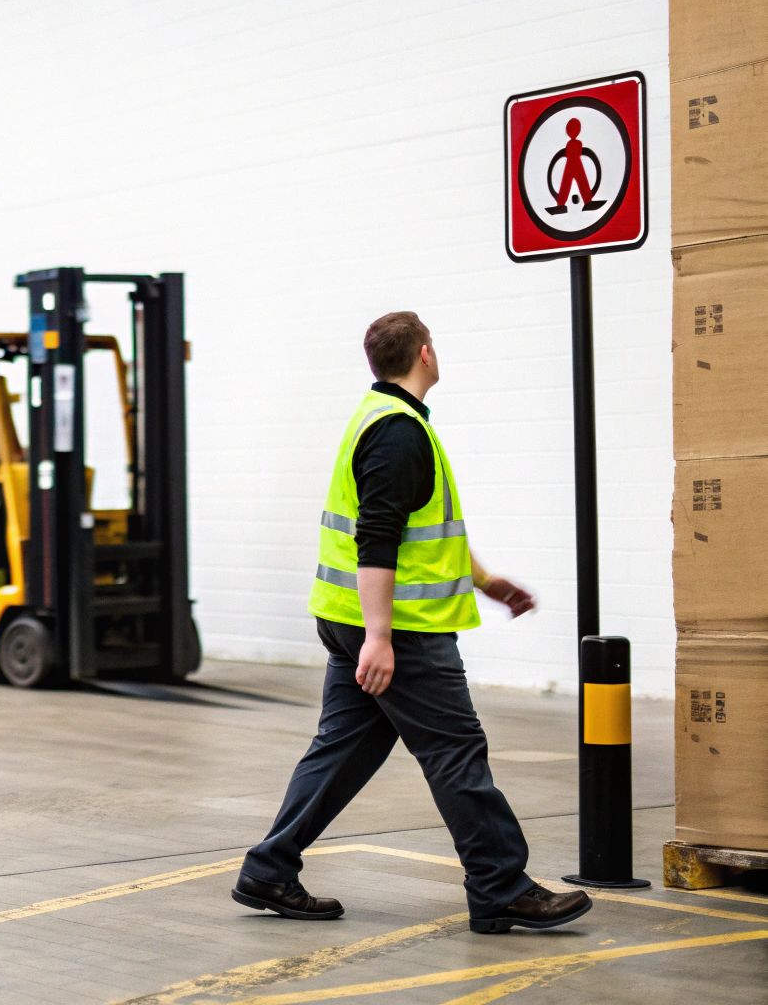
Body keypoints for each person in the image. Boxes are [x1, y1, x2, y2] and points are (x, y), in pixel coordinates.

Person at [231, 311, 592, 935]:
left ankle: (269, 868)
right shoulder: (400, 433)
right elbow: (378, 539)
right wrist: (379, 637)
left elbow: (420, 531)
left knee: (342, 750)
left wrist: (487, 582)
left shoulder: (378, 418)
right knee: (455, 751)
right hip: (399, 629)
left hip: (349, 618)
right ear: (425, 353)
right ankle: (501, 885)